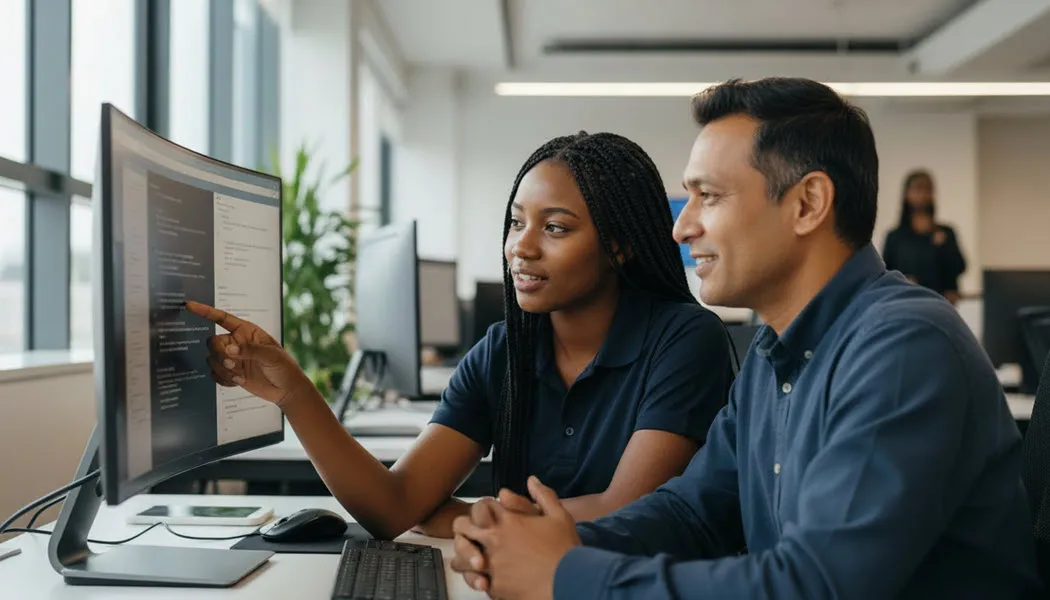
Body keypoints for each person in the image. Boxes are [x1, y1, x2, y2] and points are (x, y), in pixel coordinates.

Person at [449, 78, 1042, 599]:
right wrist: (548, 544)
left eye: (709, 195)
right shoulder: (772, 354)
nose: (682, 227)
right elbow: (694, 512)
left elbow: (815, 586)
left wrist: (566, 576)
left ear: (807, 203)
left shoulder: (903, 346)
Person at [185, 131, 733, 540]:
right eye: (517, 222)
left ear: (620, 247)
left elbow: (626, 514)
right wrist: (294, 394)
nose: (522, 246)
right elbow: (394, 506)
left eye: (556, 227)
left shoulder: (684, 341)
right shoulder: (504, 350)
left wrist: (458, 515)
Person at [882, 169, 967, 304]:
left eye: (928, 189)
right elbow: (885, 273)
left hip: (942, 304)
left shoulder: (945, 232)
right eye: (917, 188)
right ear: (906, 194)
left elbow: (961, 267)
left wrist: (944, 247)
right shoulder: (895, 237)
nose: (922, 194)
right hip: (905, 302)